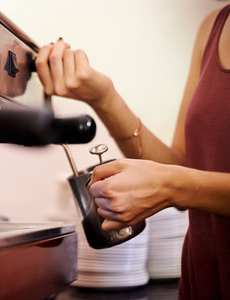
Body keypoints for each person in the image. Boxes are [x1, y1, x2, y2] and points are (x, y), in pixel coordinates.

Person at [36, 4, 230, 300]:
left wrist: (170, 186)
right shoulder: (214, 27)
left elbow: (182, 184)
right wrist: (103, 97)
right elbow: (185, 170)